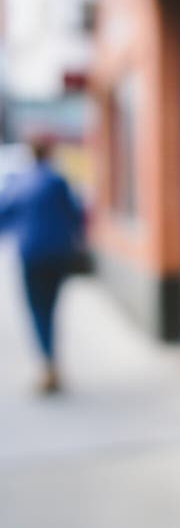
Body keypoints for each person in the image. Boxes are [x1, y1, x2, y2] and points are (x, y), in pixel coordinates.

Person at [0, 138, 84, 393]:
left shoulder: (18, 183)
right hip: (58, 253)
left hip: (31, 254)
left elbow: (4, 216)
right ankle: (51, 362)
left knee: (37, 309)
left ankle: (47, 363)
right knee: (51, 307)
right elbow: (75, 214)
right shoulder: (57, 181)